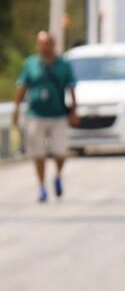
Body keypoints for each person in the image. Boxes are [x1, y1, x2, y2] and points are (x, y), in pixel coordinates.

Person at [13, 30, 78, 202]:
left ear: (53, 45)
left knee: (60, 151)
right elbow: (22, 86)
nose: (44, 47)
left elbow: (72, 88)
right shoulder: (30, 64)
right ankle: (41, 187)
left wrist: (74, 110)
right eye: (41, 43)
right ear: (37, 45)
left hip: (58, 114)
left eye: (48, 43)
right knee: (38, 152)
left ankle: (57, 175)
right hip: (36, 114)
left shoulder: (63, 65)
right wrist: (16, 109)